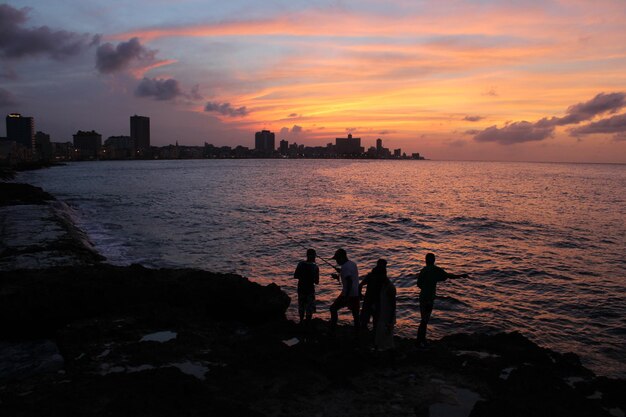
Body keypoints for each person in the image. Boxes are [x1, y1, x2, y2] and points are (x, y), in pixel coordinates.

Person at [416, 253, 469, 348]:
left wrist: (425, 288)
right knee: (425, 320)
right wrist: (461, 276)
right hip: (429, 299)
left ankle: (420, 340)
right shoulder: (436, 270)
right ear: (434, 260)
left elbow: (418, 284)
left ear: (426, 260)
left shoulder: (423, 270)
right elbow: (448, 276)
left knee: (423, 319)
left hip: (422, 297)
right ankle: (421, 341)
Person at [329, 248, 360, 334]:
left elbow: (349, 281)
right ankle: (358, 333)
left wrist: (346, 297)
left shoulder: (345, 267)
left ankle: (333, 329)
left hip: (348, 294)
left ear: (342, 257)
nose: (336, 261)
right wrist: (340, 273)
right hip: (356, 293)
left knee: (333, 308)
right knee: (356, 315)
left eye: (337, 259)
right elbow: (351, 276)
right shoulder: (352, 264)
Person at [359, 259, 387, 333]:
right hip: (376, 300)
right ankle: (374, 334)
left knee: (365, 318)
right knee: (376, 319)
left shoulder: (371, 275)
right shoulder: (383, 277)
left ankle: (363, 332)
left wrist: (360, 294)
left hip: (368, 299)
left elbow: (360, 285)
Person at [294, 249, 320, 327]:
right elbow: (316, 282)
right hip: (310, 290)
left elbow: (295, 276)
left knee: (301, 307)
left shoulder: (300, 264)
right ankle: (308, 324)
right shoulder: (315, 267)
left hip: (301, 289)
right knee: (309, 309)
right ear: (314, 256)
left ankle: (301, 322)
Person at [375, 270, 396, 352]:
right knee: (381, 335)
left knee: (387, 337)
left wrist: (390, 321)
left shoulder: (390, 287)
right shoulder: (383, 285)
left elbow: (393, 306)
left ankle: (388, 352)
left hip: (387, 316)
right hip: (383, 315)